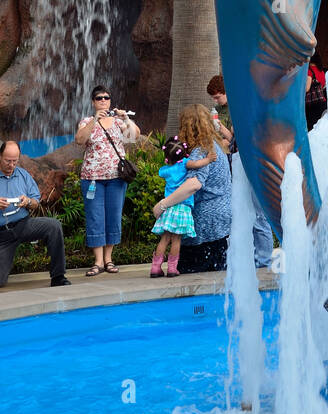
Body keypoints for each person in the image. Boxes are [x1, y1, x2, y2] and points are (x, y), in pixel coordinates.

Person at [151, 105, 232, 273]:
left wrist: (162, 205)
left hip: (205, 224)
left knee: (193, 276)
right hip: (221, 220)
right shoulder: (216, 146)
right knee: (216, 279)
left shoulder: (201, 151)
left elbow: (194, 184)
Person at [207, 72, 272, 269]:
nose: (216, 101)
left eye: (218, 96)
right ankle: (254, 257)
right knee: (244, 213)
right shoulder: (231, 108)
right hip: (238, 163)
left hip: (253, 165)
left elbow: (233, 137)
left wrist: (218, 126)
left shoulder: (243, 109)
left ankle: (264, 260)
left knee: (259, 215)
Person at [75, 85, 141, 276]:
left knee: (113, 216)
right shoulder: (87, 121)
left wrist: (126, 118)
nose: (103, 100)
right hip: (92, 178)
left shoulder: (119, 122)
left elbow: (135, 136)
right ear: (93, 102)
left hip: (116, 178)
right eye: (98, 98)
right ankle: (98, 262)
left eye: (106, 97)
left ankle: (109, 259)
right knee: (95, 217)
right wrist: (95, 120)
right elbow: (80, 140)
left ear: (110, 100)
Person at [0, 140, 69, 287]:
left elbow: (36, 201)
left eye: (14, 161)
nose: (11, 165)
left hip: (23, 225)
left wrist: (28, 202)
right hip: (3, 235)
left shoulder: (23, 175)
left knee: (53, 226)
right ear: (0, 156)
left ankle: (58, 277)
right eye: (7, 161)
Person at [150, 135, 217, 277]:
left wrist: (168, 161)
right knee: (176, 240)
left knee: (165, 239)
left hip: (168, 207)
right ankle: (172, 269)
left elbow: (164, 168)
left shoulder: (165, 170)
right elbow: (197, 164)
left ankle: (155, 268)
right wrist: (209, 159)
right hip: (182, 206)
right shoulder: (184, 164)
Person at [305, 60, 327, 130]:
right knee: (320, 127)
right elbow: (323, 85)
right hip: (322, 102)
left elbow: (307, 88)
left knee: (311, 127)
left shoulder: (309, 71)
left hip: (312, 105)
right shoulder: (321, 71)